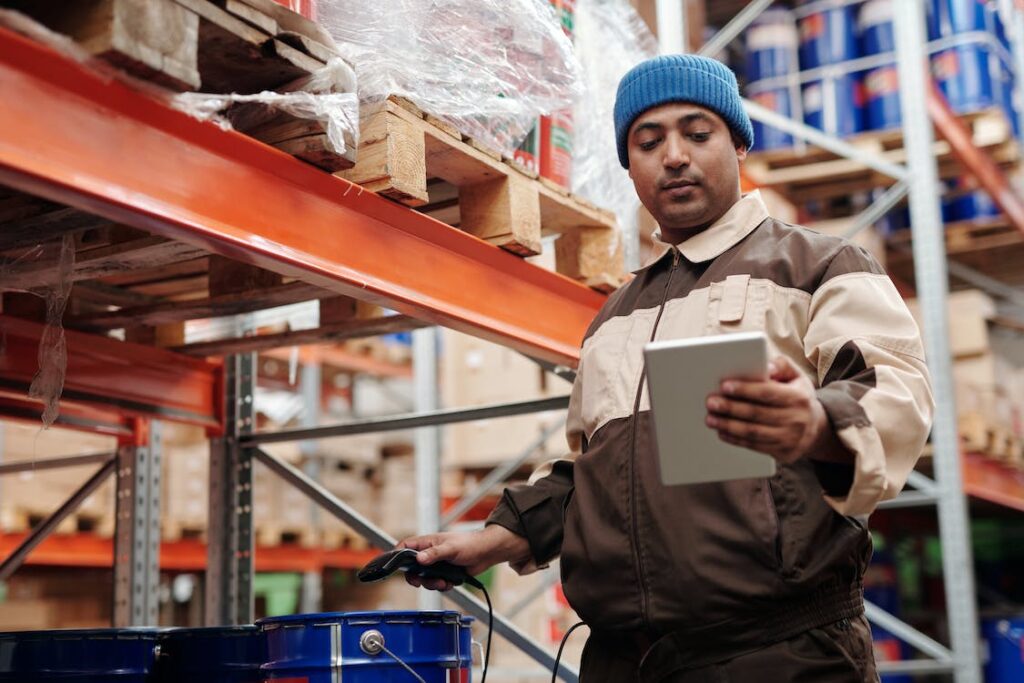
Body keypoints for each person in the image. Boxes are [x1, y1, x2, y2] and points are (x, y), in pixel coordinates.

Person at [400, 54, 934, 682]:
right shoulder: (616, 316)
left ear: (738, 143)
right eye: (647, 143)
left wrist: (817, 424)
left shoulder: (817, 266)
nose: (674, 156)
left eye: (697, 133)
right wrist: (499, 536)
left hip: (778, 657)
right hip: (629, 664)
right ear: (630, 168)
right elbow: (594, 471)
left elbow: (895, 398)